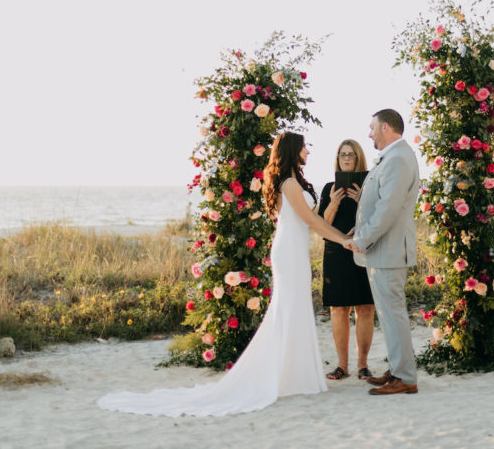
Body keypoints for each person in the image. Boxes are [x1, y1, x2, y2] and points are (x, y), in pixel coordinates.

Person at [97, 132, 350, 417]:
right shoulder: (290, 183)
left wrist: (335, 218)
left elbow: (310, 218)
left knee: (293, 309)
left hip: (292, 247)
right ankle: (288, 376)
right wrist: (342, 239)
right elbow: (310, 219)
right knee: (289, 310)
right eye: (305, 146)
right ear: (294, 150)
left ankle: (293, 375)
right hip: (290, 250)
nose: (309, 151)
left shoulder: (290, 181)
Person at [343, 109, 421, 396]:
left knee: (393, 314)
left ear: (386, 127)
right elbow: (378, 206)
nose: (370, 133)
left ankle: (405, 377)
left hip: (388, 252)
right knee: (389, 316)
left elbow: (388, 210)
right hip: (383, 252)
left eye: (372, 127)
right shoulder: (393, 157)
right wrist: (358, 230)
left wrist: (362, 240)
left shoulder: (399, 159)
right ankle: (398, 369)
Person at [317, 139, 376, 381]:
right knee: (338, 309)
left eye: (351, 154)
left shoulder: (371, 185)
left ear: (358, 157)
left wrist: (363, 199)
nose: (347, 158)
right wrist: (334, 202)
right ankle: (342, 365)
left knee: (365, 308)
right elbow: (322, 224)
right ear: (337, 158)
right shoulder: (329, 188)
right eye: (342, 154)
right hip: (336, 252)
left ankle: (363, 365)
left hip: (363, 251)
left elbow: (379, 218)